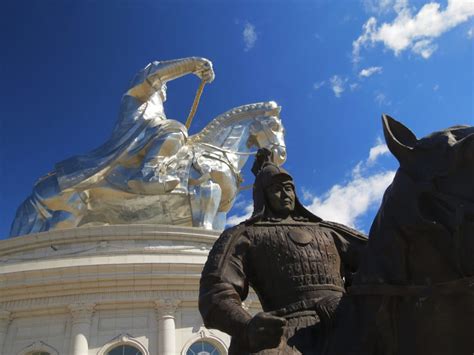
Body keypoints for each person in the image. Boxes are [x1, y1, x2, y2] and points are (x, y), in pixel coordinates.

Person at [199, 149, 367, 354]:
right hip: (287, 333)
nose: (285, 194)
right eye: (276, 189)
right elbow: (215, 291)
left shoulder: (328, 230)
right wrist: (245, 325)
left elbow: (379, 257)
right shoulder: (245, 234)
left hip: (347, 321)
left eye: (289, 188)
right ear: (263, 195)